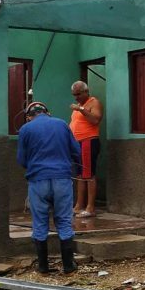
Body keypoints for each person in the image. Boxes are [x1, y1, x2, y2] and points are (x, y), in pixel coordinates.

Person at [17, 102, 80, 274]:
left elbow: (22, 160)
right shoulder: (61, 124)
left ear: (29, 116)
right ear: (48, 113)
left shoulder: (26, 129)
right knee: (64, 221)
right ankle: (68, 265)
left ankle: (43, 266)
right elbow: (76, 151)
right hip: (62, 179)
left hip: (38, 180)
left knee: (40, 222)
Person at [69, 80, 103, 217]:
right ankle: (78, 205)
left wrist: (81, 110)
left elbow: (96, 119)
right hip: (77, 143)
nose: (76, 97)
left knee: (88, 175)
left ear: (86, 91)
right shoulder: (79, 105)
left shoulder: (94, 102)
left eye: (78, 94)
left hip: (88, 141)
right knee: (80, 176)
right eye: (74, 95)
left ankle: (90, 208)